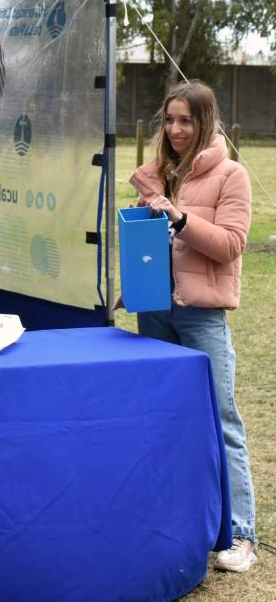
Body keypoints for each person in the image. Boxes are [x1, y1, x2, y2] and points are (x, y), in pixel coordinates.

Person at [129, 80, 256, 573]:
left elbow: (230, 245)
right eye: (169, 119)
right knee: (163, 415)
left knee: (222, 419)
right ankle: (176, 520)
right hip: (154, 308)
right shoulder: (155, 175)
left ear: (206, 122)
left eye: (187, 120)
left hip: (202, 314)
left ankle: (242, 534)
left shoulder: (232, 175)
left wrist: (179, 218)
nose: (176, 129)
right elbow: (147, 244)